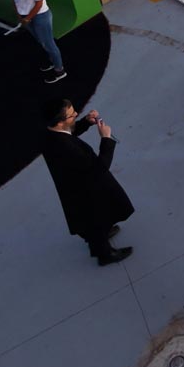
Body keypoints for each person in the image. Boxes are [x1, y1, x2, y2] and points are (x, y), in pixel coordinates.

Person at [40, 98, 134, 266]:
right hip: (86, 190)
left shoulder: (51, 134)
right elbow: (99, 168)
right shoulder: (66, 148)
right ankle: (105, 255)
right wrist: (106, 139)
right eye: (71, 115)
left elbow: (68, 135)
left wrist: (84, 123)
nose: (76, 114)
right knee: (95, 219)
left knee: (93, 220)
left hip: (74, 187)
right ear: (60, 121)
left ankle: (101, 234)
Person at [3, 0, 67, 84]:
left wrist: (27, 18)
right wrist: (19, 16)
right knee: (41, 41)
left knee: (49, 44)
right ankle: (52, 61)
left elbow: (39, 3)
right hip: (26, 18)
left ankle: (60, 71)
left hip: (40, 17)